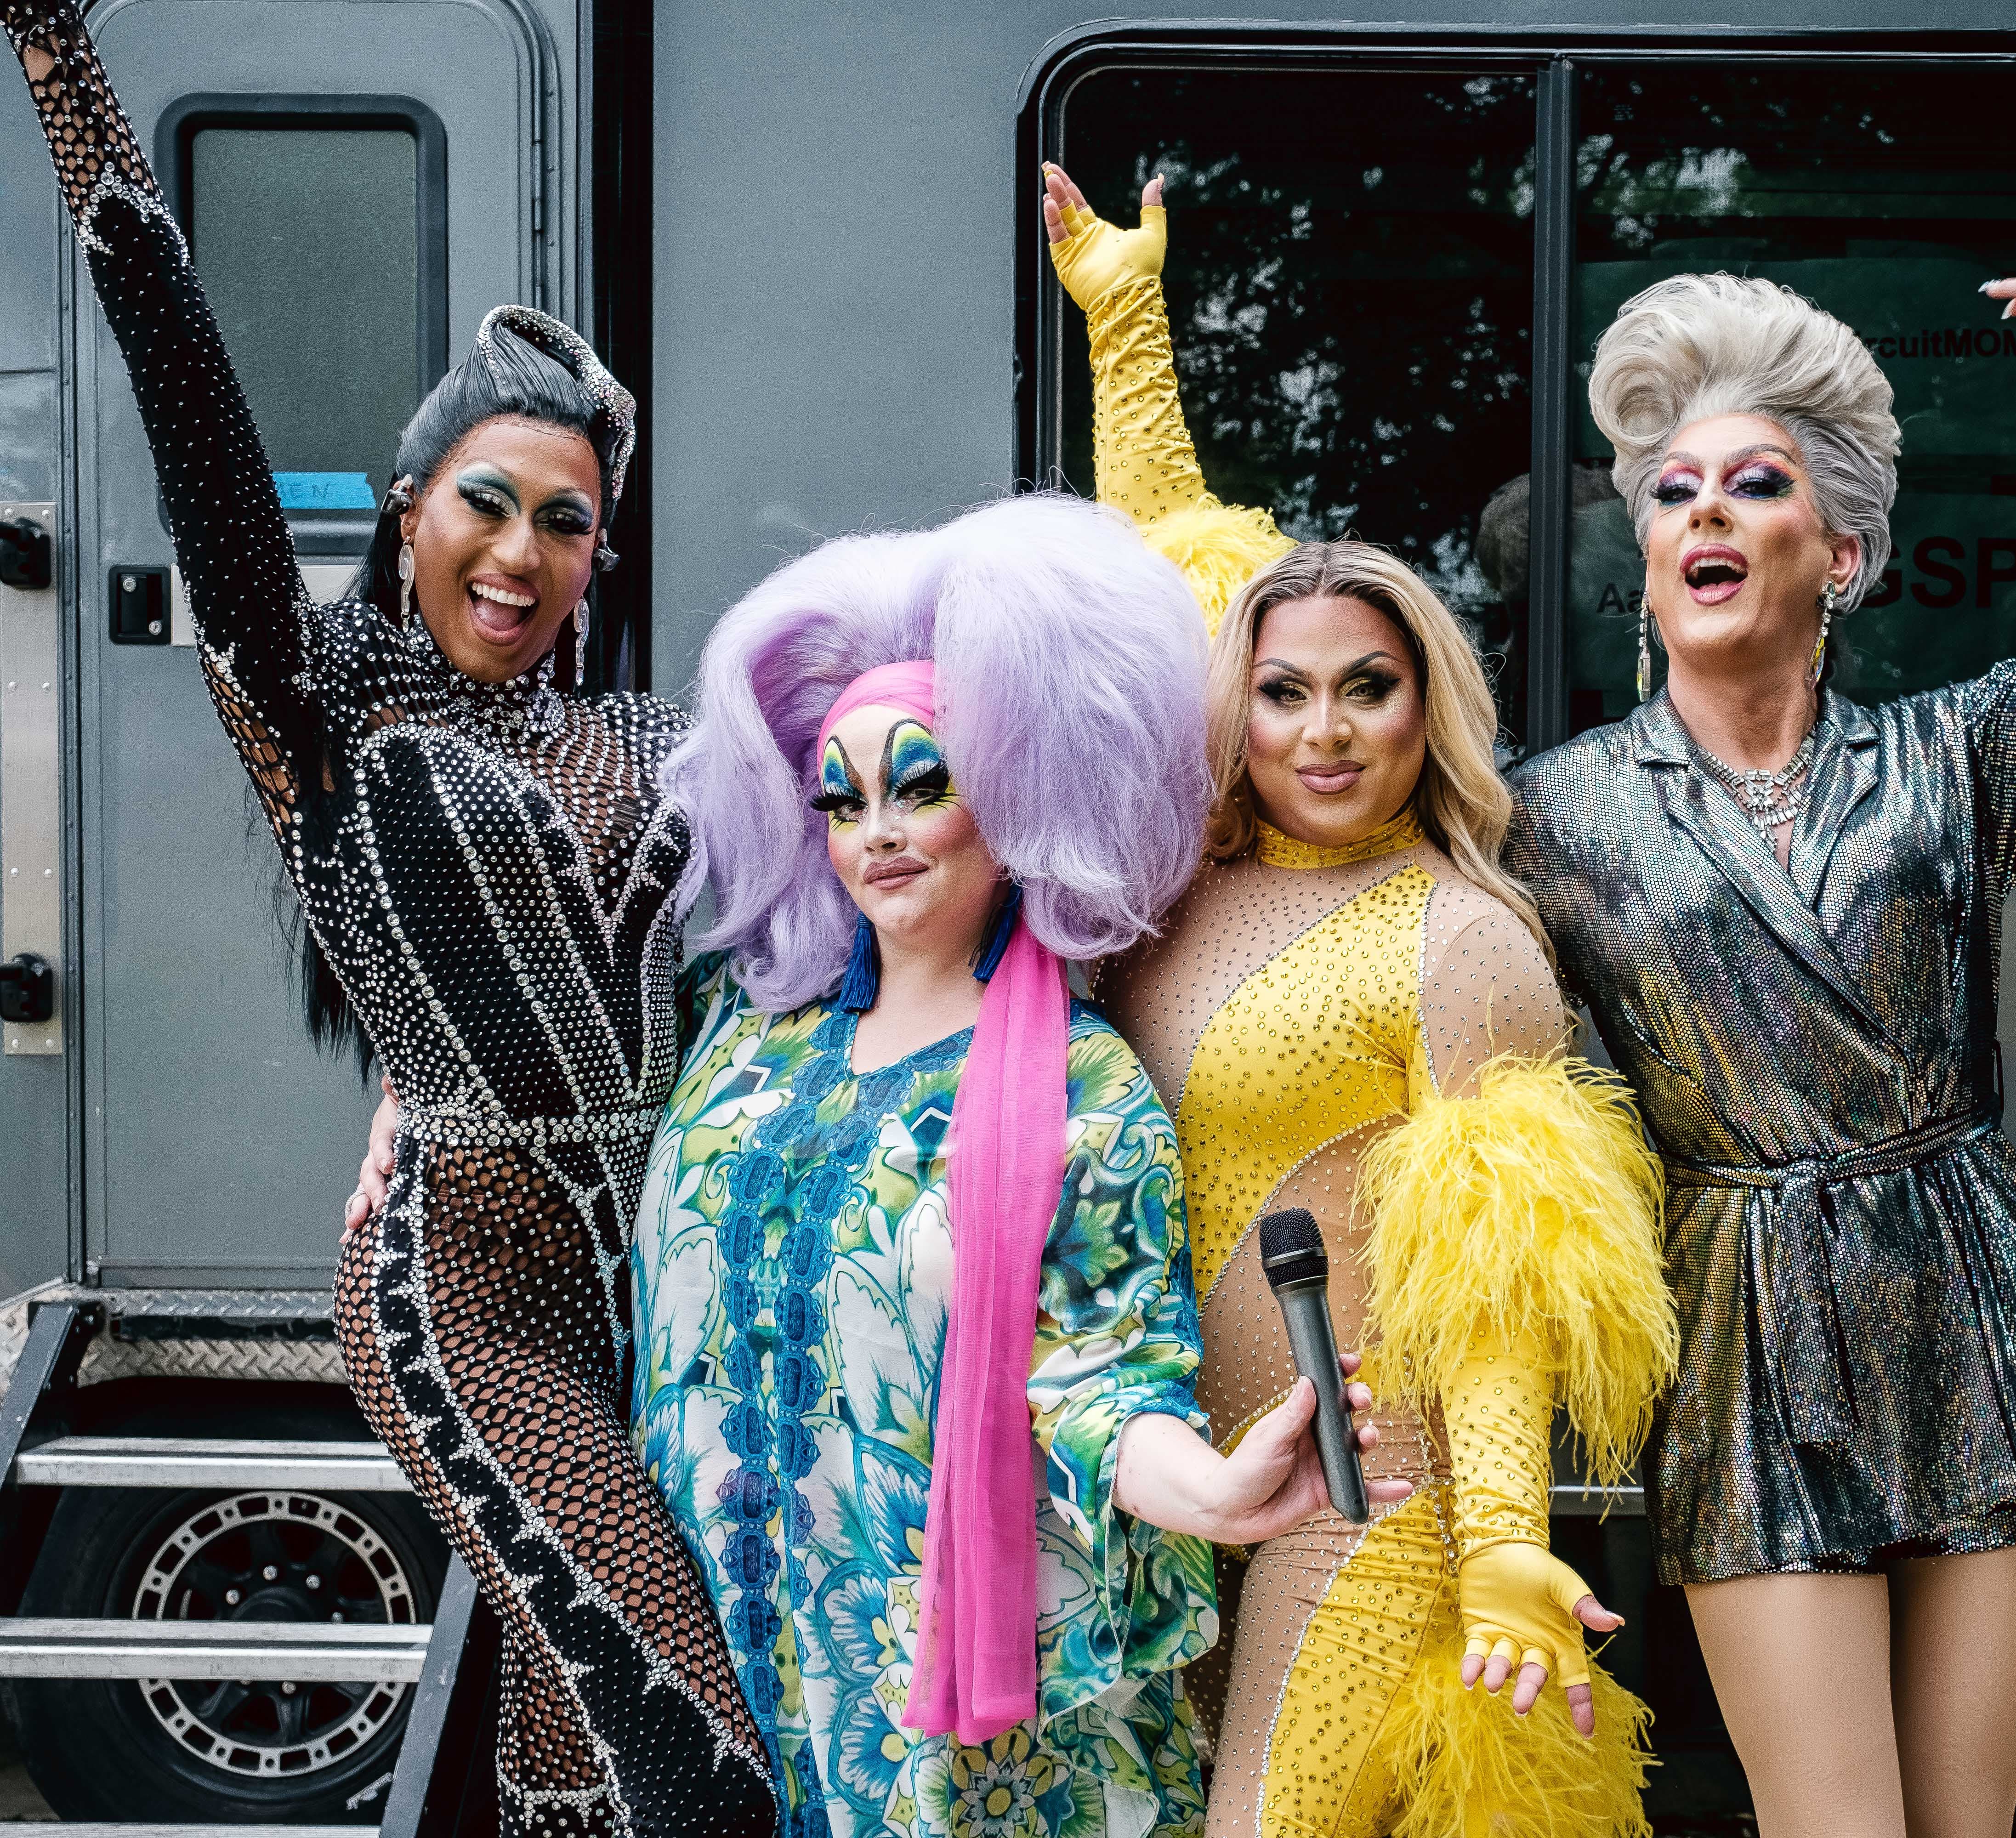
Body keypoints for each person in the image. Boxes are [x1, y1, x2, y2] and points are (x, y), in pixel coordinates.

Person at [1, 8, 777, 1830]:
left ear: (598, 553)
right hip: (470, 1298)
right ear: (411, 506)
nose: (520, 553)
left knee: (563, 1754)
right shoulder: (325, 709)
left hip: (662, 1292)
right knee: (699, 1758)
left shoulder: (652, 733)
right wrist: (58, 55)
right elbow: (188, 391)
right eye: (486, 505)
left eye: (567, 523)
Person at [355, 494, 1408, 1836]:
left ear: (1012, 798)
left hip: (933, 1724)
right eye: (841, 798)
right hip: (719, 1658)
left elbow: (1100, 1382)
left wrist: (1216, 1491)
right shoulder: (733, 1031)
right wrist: (409, 1102)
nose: (879, 831)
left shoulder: (1087, 1090)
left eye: (923, 785)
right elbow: (539, 1076)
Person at [1502, 193, 2016, 1835]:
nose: (1707, 509)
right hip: (1746, 1333)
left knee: (1965, 1824)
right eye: (1674, 492)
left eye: (1757, 483)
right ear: (1649, 562)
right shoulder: (1547, 815)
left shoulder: (1952, 756)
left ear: (1840, 556)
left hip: (1979, 1306)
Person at [1046, 181, 1676, 1835]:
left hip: (1368, 1500)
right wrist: (1125, 321)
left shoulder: (1464, 938)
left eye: (1368, 689)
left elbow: (1501, 1285)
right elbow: (1179, 546)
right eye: (1285, 692)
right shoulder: (1181, 883)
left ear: (1426, 707)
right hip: (1180, 1497)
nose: (1323, 729)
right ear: (1238, 706)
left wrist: (1508, 1544)